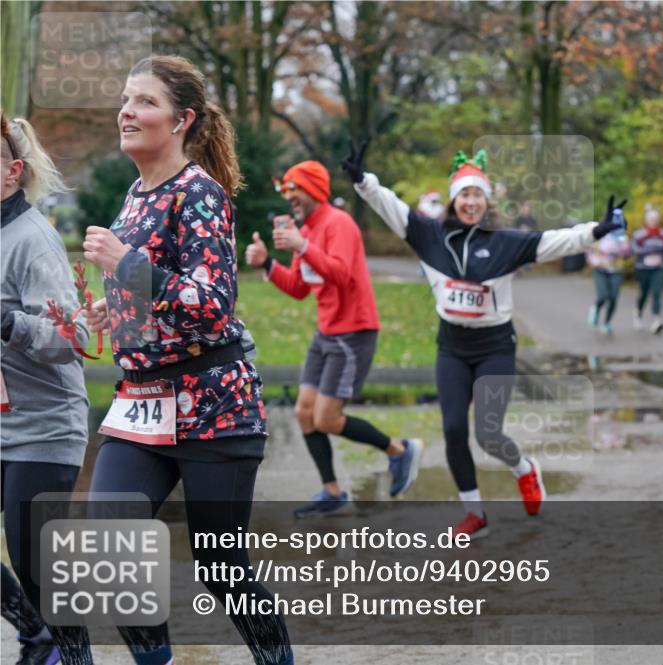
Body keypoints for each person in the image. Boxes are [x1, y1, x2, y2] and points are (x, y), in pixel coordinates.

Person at [82, 55, 293, 665]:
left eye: (144, 101)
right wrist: (113, 312)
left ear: (182, 120)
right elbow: (155, 297)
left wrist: (125, 264)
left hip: (213, 405)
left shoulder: (199, 193)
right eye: (126, 99)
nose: (127, 111)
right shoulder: (135, 193)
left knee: (221, 565)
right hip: (143, 402)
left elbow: (210, 302)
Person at [344, 142, 626, 539]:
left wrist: (596, 230)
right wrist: (362, 180)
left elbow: (555, 241)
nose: (471, 202)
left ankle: (524, 469)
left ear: (487, 200)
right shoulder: (429, 236)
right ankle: (474, 512)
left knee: (488, 433)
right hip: (452, 349)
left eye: (477, 194)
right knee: (454, 429)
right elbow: (392, 207)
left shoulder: (505, 242)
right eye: (464, 194)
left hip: (495, 347)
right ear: (453, 200)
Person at [245, 160, 422, 517]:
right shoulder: (305, 231)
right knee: (305, 413)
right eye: (287, 190)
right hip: (326, 332)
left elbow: (341, 274)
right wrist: (267, 264)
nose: (290, 197)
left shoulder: (338, 224)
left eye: (295, 189)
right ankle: (332, 491)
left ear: (313, 189)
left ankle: (400, 450)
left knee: (326, 418)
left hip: (353, 332)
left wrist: (301, 246)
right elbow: (298, 288)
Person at [1, 114, 94, 665]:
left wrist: (9, 324)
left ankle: (68, 653)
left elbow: (75, 335)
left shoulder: (34, 240)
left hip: (45, 427)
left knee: (37, 565)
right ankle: (38, 635)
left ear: (13, 172)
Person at [631, 204, 663, 334]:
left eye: (655, 219)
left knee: (657, 292)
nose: (653, 222)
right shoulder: (639, 234)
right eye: (651, 219)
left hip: (658, 267)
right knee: (643, 293)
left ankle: (657, 320)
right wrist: (649, 251)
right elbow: (634, 249)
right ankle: (638, 315)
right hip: (643, 268)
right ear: (647, 220)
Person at [587, 216, 631, 335]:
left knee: (613, 298)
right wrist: (594, 262)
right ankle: (596, 308)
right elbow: (589, 251)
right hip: (600, 269)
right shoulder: (600, 235)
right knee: (603, 295)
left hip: (616, 270)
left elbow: (627, 254)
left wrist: (624, 246)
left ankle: (607, 323)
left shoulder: (622, 237)